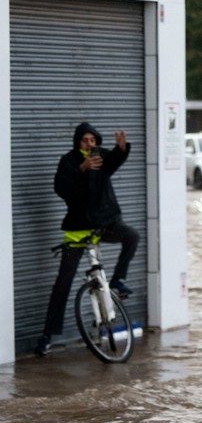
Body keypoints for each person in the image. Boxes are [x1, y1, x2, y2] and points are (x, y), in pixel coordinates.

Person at [34, 123, 136, 356]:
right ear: (77, 142)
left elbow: (113, 163)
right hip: (77, 229)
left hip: (102, 225)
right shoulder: (69, 161)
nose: (90, 144)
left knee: (131, 236)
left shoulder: (100, 156)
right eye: (85, 140)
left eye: (93, 140)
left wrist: (121, 149)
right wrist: (82, 168)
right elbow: (62, 189)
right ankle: (47, 335)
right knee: (63, 283)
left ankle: (118, 281)